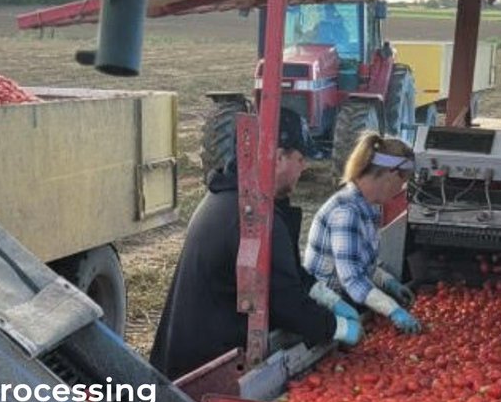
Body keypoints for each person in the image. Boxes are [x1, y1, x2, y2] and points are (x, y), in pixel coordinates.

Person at [149, 108, 362, 380]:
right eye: (300, 158)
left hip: (189, 359)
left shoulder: (230, 199)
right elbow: (283, 300)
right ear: (277, 156)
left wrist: (326, 297)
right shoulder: (251, 220)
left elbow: (285, 275)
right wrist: (337, 327)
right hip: (205, 376)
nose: (304, 166)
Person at [305, 132, 422, 334]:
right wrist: (393, 310)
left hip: (349, 302)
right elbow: (352, 279)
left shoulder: (370, 207)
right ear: (391, 175)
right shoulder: (346, 212)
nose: (400, 190)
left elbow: (362, 264)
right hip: (328, 309)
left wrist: (388, 282)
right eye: (402, 183)